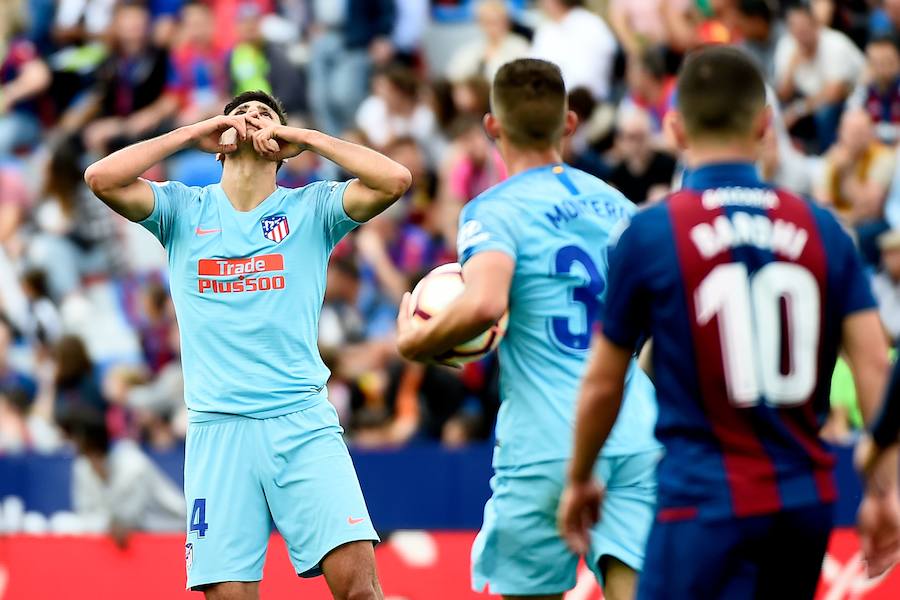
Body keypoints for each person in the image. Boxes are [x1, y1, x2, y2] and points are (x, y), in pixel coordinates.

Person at [558, 46, 900, 599]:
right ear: (766, 125)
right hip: (802, 506)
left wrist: (579, 478)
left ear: (674, 128)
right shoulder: (825, 231)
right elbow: (874, 365)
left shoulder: (650, 234)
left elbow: (602, 382)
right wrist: (885, 488)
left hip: (702, 504)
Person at [84, 89, 411, 599]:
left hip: (302, 424)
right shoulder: (181, 209)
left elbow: (395, 180)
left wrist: (304, 136)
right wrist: (193, 132)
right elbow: (101, 177)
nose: (254, 119)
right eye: (240, 114)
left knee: (361, 590)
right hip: (219, 432)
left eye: (266, 116)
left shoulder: (313, 208)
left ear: (282, 146)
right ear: (220, 141)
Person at [396, 59, 660, 600]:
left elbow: (485, 301)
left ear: (492, 126)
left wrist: (416, 341)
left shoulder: (493, 211)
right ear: (569, 122)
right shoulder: (621, 207)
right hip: (634, 431)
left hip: (547, 440)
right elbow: (657, 320)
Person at [775, 4, 865, 152]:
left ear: (815, 25)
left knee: (825, 113)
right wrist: (791, 67)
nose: (800, 35)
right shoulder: (787, 45)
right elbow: (783, 95)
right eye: (795, 29)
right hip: (810, 99)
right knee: (779, 112)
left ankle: (827, 159)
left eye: (804, 28)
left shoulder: (835, 43)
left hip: (851, 98)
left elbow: (834, 93)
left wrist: (798, 110)